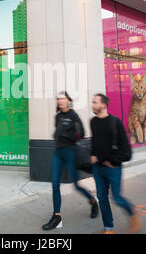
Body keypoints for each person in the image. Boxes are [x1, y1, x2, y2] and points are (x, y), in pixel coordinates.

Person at [42, 91, 99, 230]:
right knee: (55, 184)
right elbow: (57, 135)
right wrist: (59, 133)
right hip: (58, 153)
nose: (60, 101)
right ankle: (57, 216)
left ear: (68, 100)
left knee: (76, 185)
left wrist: (66, 134)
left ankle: (93, 202)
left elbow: (82, 134)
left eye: (63, 98)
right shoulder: (58, 116)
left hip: (71, 153)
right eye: (59, 99)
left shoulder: (73, 115)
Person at [90, 93, 141, 234]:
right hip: (98, 168)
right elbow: (95, 142)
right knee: (102, 198)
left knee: (117, 198)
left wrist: (113, 161)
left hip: (113, 168)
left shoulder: (115, 121)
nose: (92, 105)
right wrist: (93, 155)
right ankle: (109, 229)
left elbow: (126, 150)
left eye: (95, 102)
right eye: (92, 102)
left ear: (104, 105)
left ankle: (132, 212)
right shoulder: (93, 122)